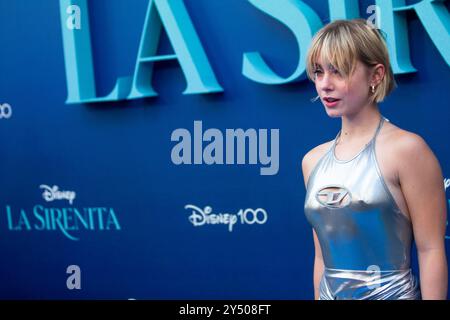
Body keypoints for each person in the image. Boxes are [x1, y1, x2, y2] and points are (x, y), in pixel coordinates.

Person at [301, 19, 448, 300]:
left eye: (338, 71)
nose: (325, 85)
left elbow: (431, 250)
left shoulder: (407, 150)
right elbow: (322, 258)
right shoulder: (312, 161)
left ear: (376, 75)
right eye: (319, 72)